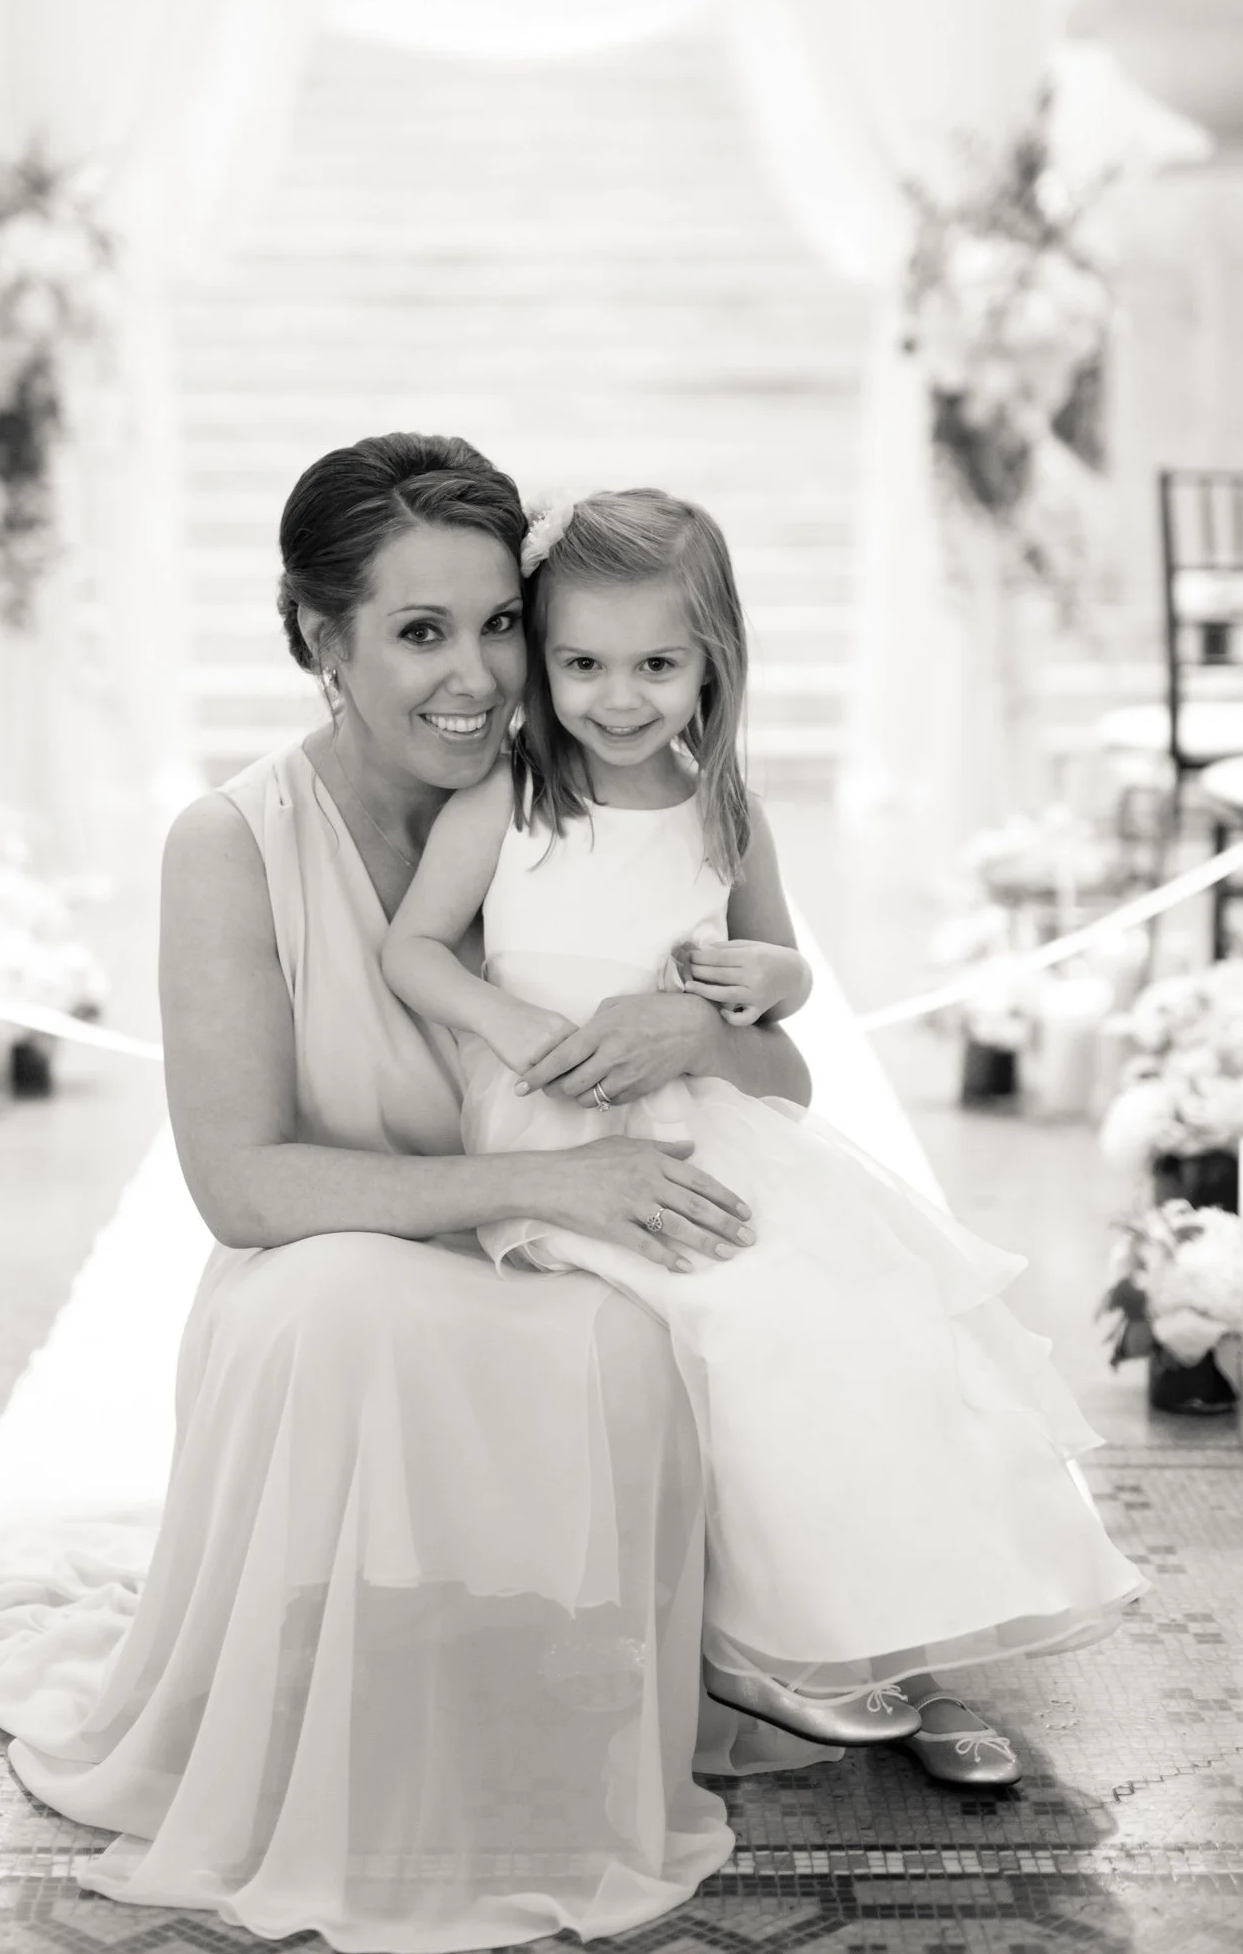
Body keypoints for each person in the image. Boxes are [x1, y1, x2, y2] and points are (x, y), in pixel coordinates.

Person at [0, 434, 848, 1954]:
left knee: (647, 1332)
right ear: (320, 639)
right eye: (418, 633)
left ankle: (598, 1685)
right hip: (328, 1258)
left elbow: (782, 1088)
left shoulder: (603, 807)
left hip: (576, 1258)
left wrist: (701, 1032)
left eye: (500, 624)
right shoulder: (231, 844)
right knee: (346, 1301)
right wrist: (547, 1183)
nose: (477, 677)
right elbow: (240, 1184)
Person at [381, 486, 1145, 1788]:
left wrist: (759, 981)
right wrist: (504, 1025)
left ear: (711, 665)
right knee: (749, 1321)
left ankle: (901, 1638)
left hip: (703, 1117)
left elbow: (784, 971)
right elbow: (409, 949)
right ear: (541, 661)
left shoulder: (719, 809)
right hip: (560, 1120)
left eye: (656, 666)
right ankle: (762, 1643)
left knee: (881, 1311)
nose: (617, 697)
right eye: (580, 664)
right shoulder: (506, 805)